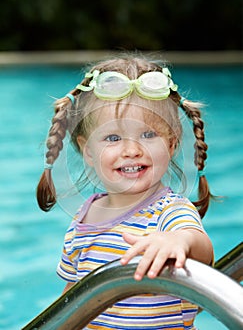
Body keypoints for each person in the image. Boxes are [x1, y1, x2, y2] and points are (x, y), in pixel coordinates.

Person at [37, 56, 214, 329]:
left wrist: (178, 242)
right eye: (113, 138)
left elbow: (200, 248)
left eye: (147, 135)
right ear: (89, 151)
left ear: (171, 144)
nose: (132, 150)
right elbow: (72, 299)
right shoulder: (83, 218)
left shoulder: (169, 212)